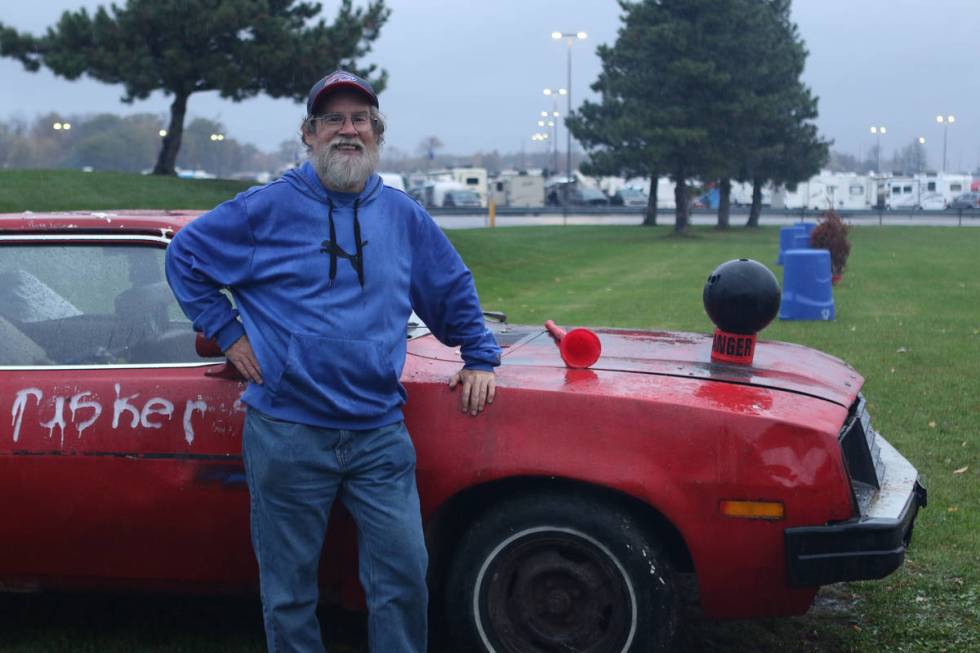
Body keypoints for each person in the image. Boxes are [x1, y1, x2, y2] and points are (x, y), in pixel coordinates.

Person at [165, 69, 500, 653]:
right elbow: (185, 256)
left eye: (361, 120)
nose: (349, 130)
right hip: (288, 430)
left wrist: (480, 355)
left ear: (376, 133)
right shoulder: (264, 209)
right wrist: (226, 331)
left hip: (379, 434)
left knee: (402, 579)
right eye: (334, 120)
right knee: (289, 591)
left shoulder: (403, 215)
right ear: (309, 134)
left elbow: (450, 286)